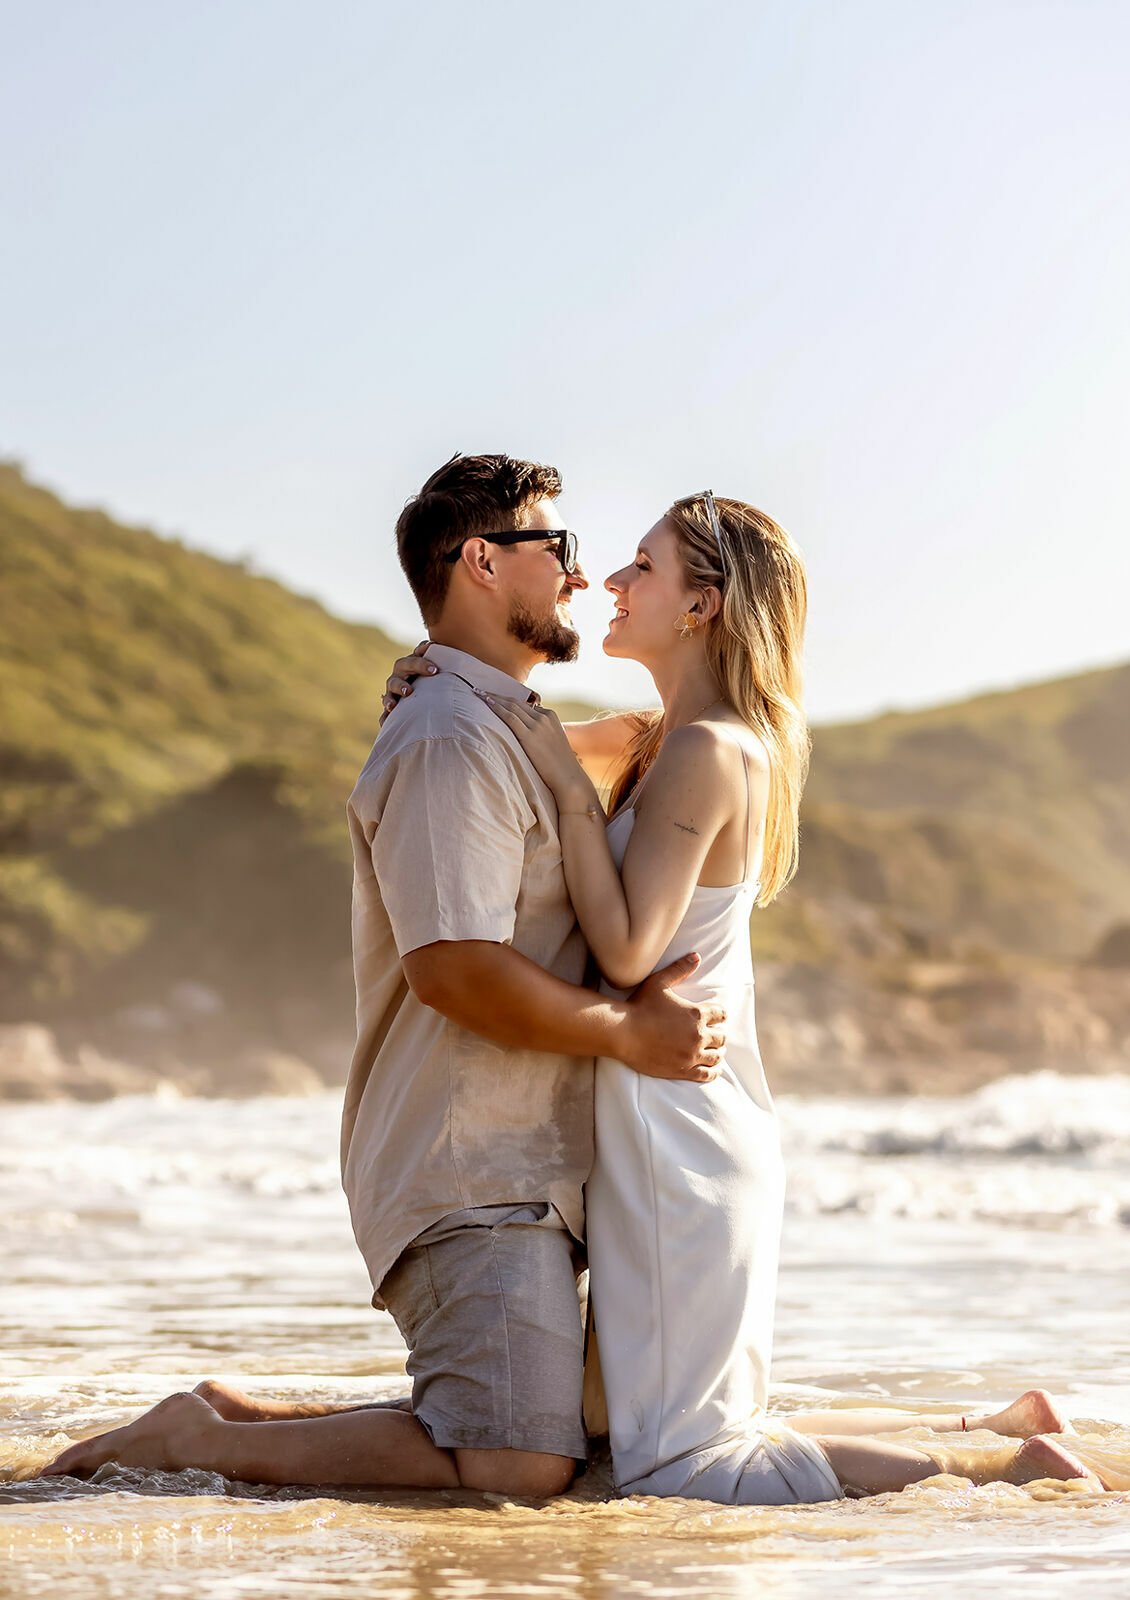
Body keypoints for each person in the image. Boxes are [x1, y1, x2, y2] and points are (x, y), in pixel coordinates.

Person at [375, 490, 1103, 1501]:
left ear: (701, 605)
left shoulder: (707, 749)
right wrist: (432, 679)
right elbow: (505, 740)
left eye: (641, 566)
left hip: (674, 1118)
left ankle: (997, 1469)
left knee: (682, 1457)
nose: (609, 581)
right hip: (666, 1105)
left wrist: (563, 787)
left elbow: (627, 951)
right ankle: (992, 1426)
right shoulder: (660, 735)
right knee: (664, 1417)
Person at [40, 453, 728, 1494]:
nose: (581, 576)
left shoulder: (497, 721)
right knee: (518, 1461)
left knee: (555, 1431)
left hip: (530, 1161)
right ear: (482, 562)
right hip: (469, 1163)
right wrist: (627, 1033)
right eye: (560, 547)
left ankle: (227, 1416)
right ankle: (196, 1443)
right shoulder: (450, 737)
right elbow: (453, 968)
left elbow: (669, 738)